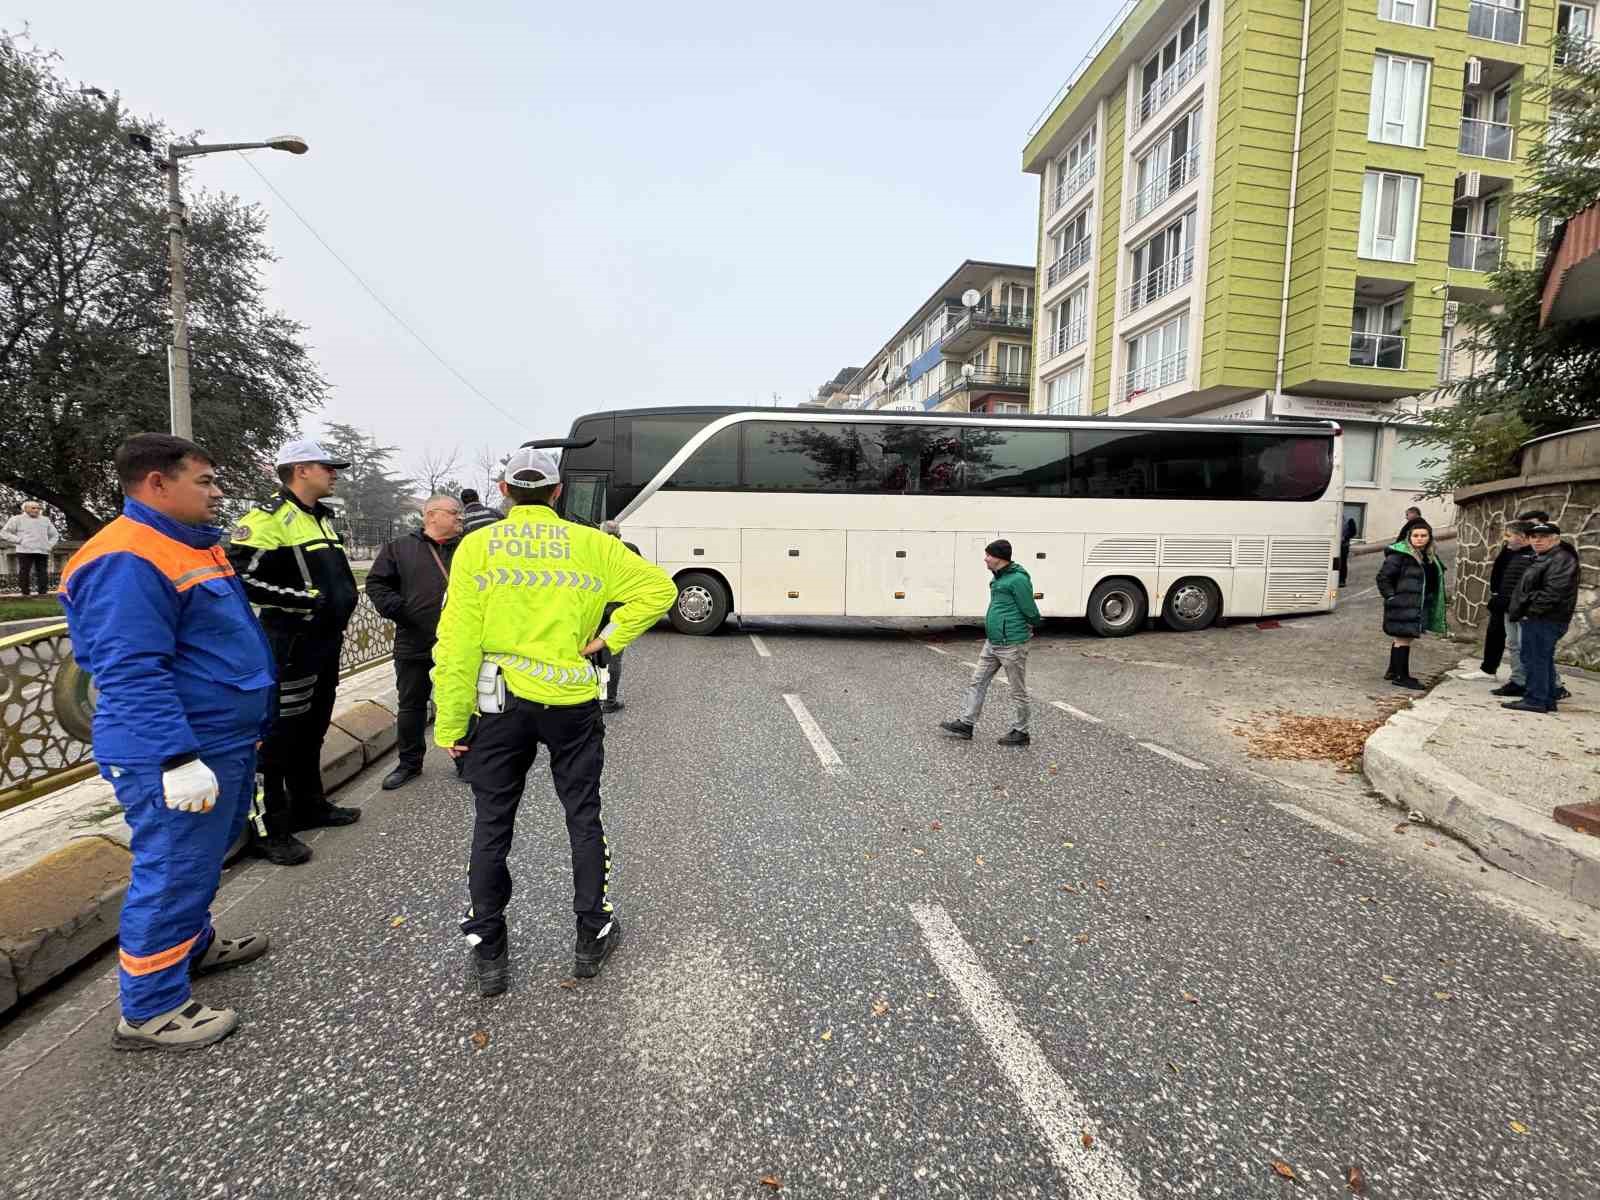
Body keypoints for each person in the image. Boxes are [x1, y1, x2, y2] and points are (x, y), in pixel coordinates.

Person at [432, 445, 676, 995]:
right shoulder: (591, 544)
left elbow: (457, 642)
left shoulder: (477, 547)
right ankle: (593, 932)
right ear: (558, 492)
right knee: (582, 815)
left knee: (493, 823)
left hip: (500, 706)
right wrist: (609, 639)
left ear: (503, 493)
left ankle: (488, 950)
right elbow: (659, 591)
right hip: (571, 702)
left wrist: (450, 724)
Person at [59, 434, 276, 1050]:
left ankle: (192, 946)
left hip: (218, 737)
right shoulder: (127, 558)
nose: (217, 492)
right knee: (175, 867)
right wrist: (176, 759)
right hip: (178, 748)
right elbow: (131, 671)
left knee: (200, 860)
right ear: (157, 483)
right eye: (204, 481)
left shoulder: (185, 545)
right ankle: (150, 1009)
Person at [226, 439, 362, 866]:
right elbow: (236, 575)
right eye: (328, 466)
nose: (335, 473)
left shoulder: (320, 519)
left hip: (323, 643)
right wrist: (306, 601)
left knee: (312, 729)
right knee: (277, 740)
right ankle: (271, 829)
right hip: (288, 643)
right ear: (301, 469)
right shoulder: (269, 519)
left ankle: (310, 804)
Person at [365, 495, 464, 789]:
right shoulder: (399, 548)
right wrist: (401, 610)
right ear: (432, 515)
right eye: (454, 513)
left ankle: (465, 759)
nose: (461, 518)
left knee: (462, 702)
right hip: (414, 641)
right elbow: (376, 584)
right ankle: (409, 763)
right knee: (411, 705)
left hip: (460, 642)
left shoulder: (470, 547)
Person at [940, 539, 1042, 746]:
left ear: (999, 558)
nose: (985, 559)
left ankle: (1021, 732)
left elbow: (1030, 610)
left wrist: (1029, 627)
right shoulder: (999, 579)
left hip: (1011, 644)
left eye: (988, 555)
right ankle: (966, 724)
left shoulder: (1017, 580)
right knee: (977, 682)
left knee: (1017, 690)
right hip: (993, 642)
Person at [1503, 521, 1580, 714]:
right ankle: (1544, 699)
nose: (1537, 541)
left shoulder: (1561, 558)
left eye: (1543, 537)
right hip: (1542, 617)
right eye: (1534, 537)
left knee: (1535, 658)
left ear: (1555, 539)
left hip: (1545, 618)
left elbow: (1554, 592)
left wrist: (1530, 611)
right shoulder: (1547, 557)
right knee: (1539, 658)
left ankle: (1536, 700)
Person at [1376, 521, 1446, 690]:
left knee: (1402, 637)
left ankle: (1393, 671)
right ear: (1409, 537)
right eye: (1416, 536)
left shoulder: (1429, 555)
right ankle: (1402, 677)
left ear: (1429, 538)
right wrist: (1391, 597)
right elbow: (1383, 578)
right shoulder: (1400, 555)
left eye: (1423, 536)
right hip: (1403, 603)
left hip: (1416, 603)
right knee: (1403, 638)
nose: (1419, 539)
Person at [1469, 520, 1535, 681]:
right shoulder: (1511, 550)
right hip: (1502, 600)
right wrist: (1497, 595)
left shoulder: (1532, 555)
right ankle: (1490, 670)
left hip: (1516, 605)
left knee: (1521, 645)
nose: (1505, 539)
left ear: (1523, 536)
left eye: (1508, 535)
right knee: (1499, 636)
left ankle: (1537, 682)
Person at [594, 520, 644, 714]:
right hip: (618, 611)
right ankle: (609, 701)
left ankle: (595, 697)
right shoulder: (630, 549)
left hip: (595, 610)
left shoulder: (593, 551)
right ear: (620, 536)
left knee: (595, 655)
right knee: (613, 655)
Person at [2, 500, 61, 596]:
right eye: (33, 508)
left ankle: (43, 593)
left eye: (38, 508)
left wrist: (49, 545)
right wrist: (19, 540)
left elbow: (55, 535)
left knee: (42, 572)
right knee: (24, 571)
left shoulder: (45, 520)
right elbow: (4, 533)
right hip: (24, 550)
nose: (36, 510)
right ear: (25, 509)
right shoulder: (17, 519)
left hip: (42, 550)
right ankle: (25, 593)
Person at [1339, 517, 1358, 588]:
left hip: (1344, 545)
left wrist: (1345, 537)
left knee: (1342, 562)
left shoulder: (1349, 520)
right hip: (1333, 545)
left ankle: (1341, 580)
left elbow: (1353, 532)